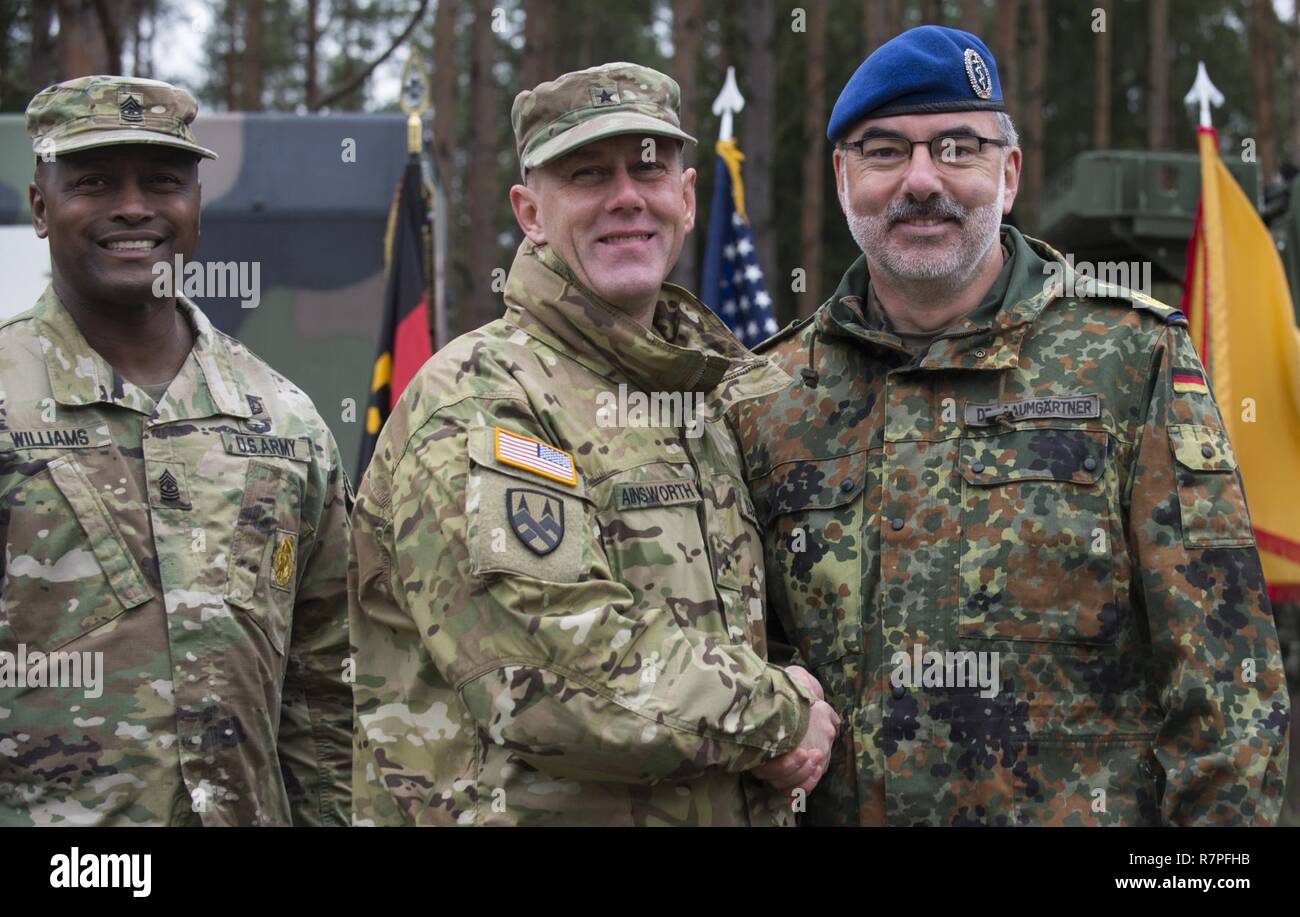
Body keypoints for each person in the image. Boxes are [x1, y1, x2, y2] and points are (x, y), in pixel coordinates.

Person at [734, 26, 1290, 825]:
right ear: (841, 176)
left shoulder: (1130, 357)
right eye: (885, 151)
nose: (921, 180)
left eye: (958, 147)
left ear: (1010, 171)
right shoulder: (768, 395)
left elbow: (1228, 680)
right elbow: (740, 661)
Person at [348, 62, 839, 826]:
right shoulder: (481, 397)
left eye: (649, 169)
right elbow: (545, 679)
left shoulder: (709, 399)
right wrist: (779, 714)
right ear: (530, 212)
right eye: (587, 174)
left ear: (684, 196)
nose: (625, 199)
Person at [0, 76, 352, 826]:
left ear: (196, 208)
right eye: (93, 182)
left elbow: (328, 694)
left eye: (163, 182)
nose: (133, 207)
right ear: (40, 205)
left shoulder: (284, 422)